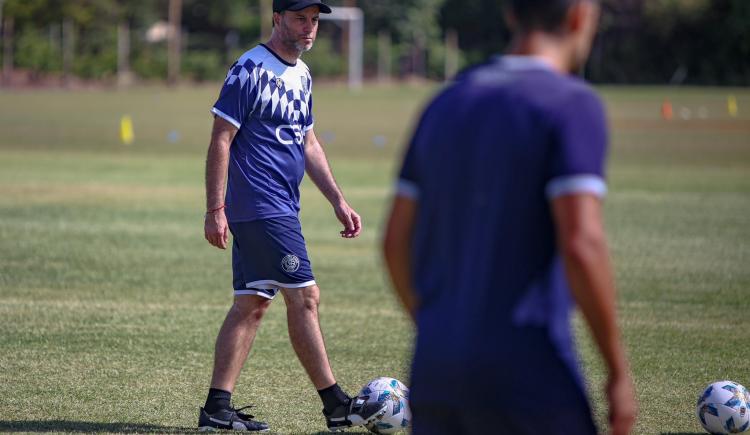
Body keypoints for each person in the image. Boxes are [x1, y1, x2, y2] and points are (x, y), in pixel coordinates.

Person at [383, 0, 638, 434]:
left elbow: (394, 243)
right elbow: (581, 243)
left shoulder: (443, 104)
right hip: (527, 371)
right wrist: (617, 368)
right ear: (579, 15)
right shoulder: (571, 103)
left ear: (510, 14)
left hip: (436, 367)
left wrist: (438, 329)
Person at [199, 0, 385, 431]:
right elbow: (220, 139)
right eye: (300, 18)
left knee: (251, 304)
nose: (309, 28)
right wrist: (214, 208)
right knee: (305, 298)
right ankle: (335, 403)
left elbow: (309, 143)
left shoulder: (302, 75)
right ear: (277, 19)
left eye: (315, 20)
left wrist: (338, 200)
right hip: (261, 208)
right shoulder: (249, 69)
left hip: (280, 206)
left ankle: (216, 408)